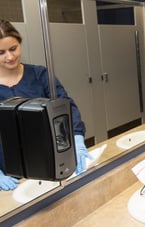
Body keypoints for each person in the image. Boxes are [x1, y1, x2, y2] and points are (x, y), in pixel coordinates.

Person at [0, 19, 92, 191]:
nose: (10, 57)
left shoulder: (39, 74)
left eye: (13, 49)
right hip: (5, 167)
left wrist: (77, 139)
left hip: (48, 159)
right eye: (1, 52)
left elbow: (66, 107)